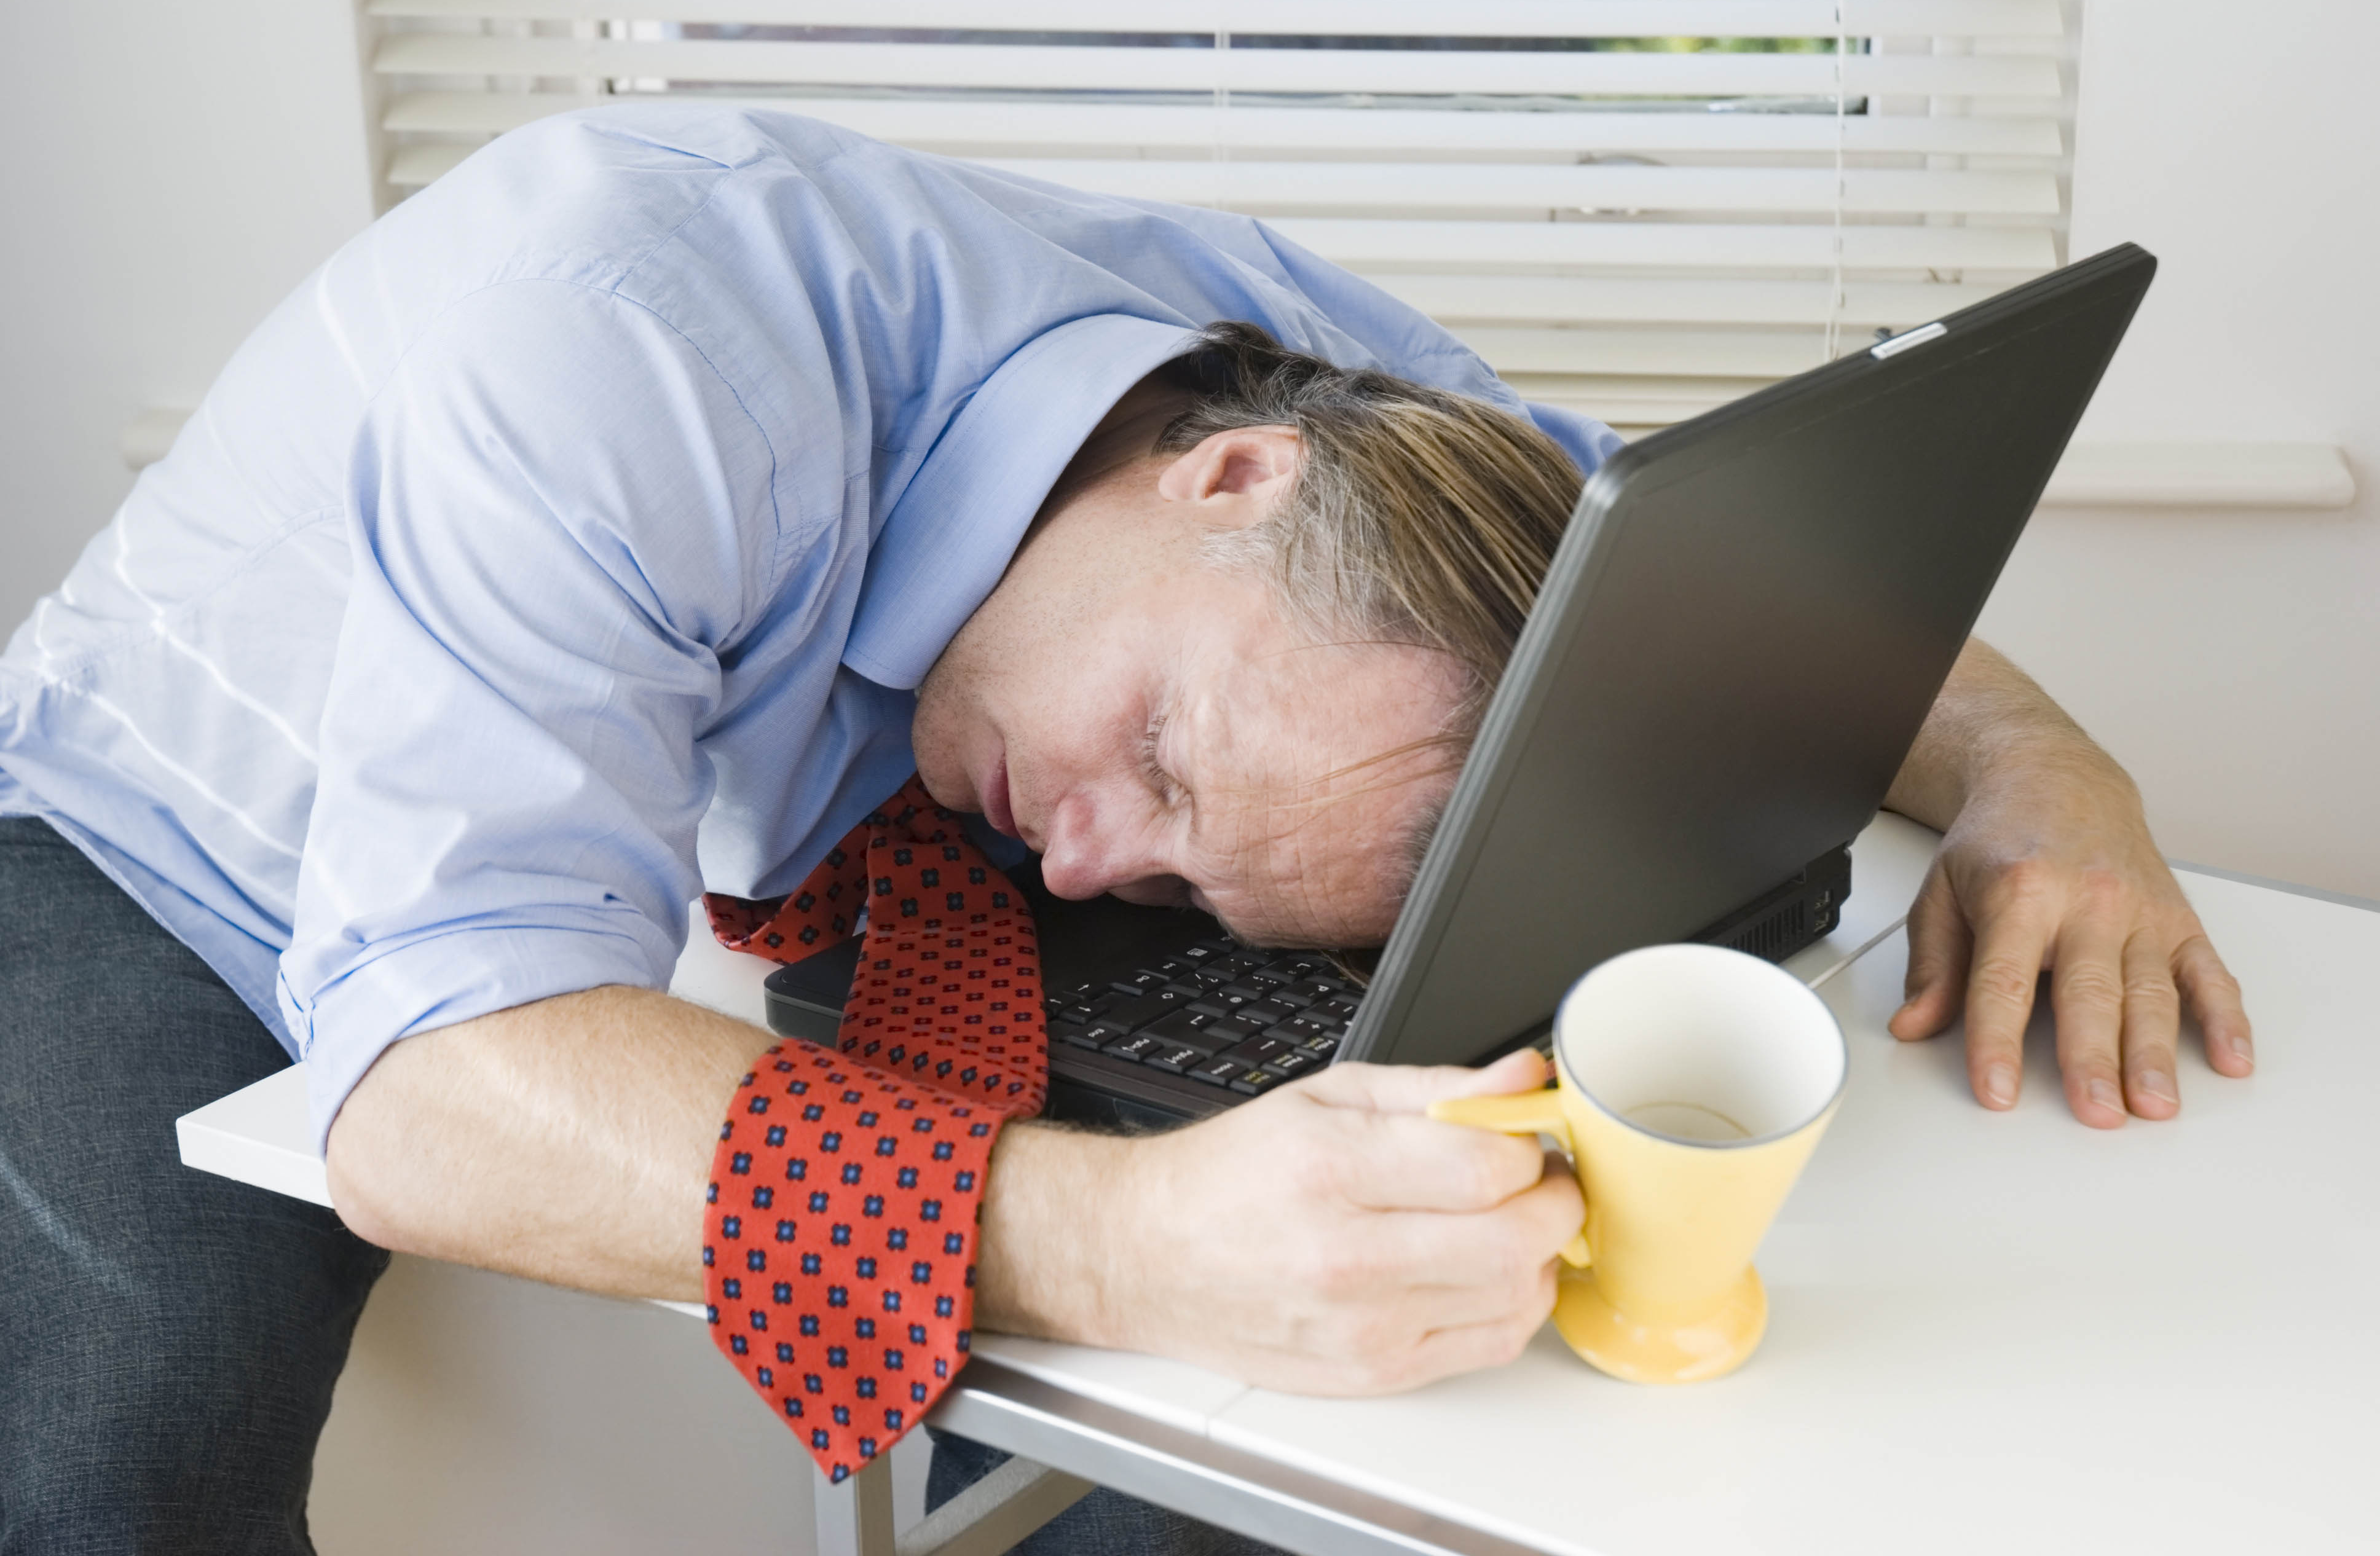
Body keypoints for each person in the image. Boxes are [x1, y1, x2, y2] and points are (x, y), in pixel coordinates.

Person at [0, 106, 2253, 1555]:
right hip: (173, 849)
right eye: (1163, 764)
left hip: (716, 841)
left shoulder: (1348, 427)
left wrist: (2045, 776)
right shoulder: (610, 339)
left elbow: (1740, 595)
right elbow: (432, 1089)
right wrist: (1120, 1234)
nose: (1088, 861)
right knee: (112, 1488)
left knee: (1269, 1410)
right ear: (1234, 481)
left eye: (1175, 865)